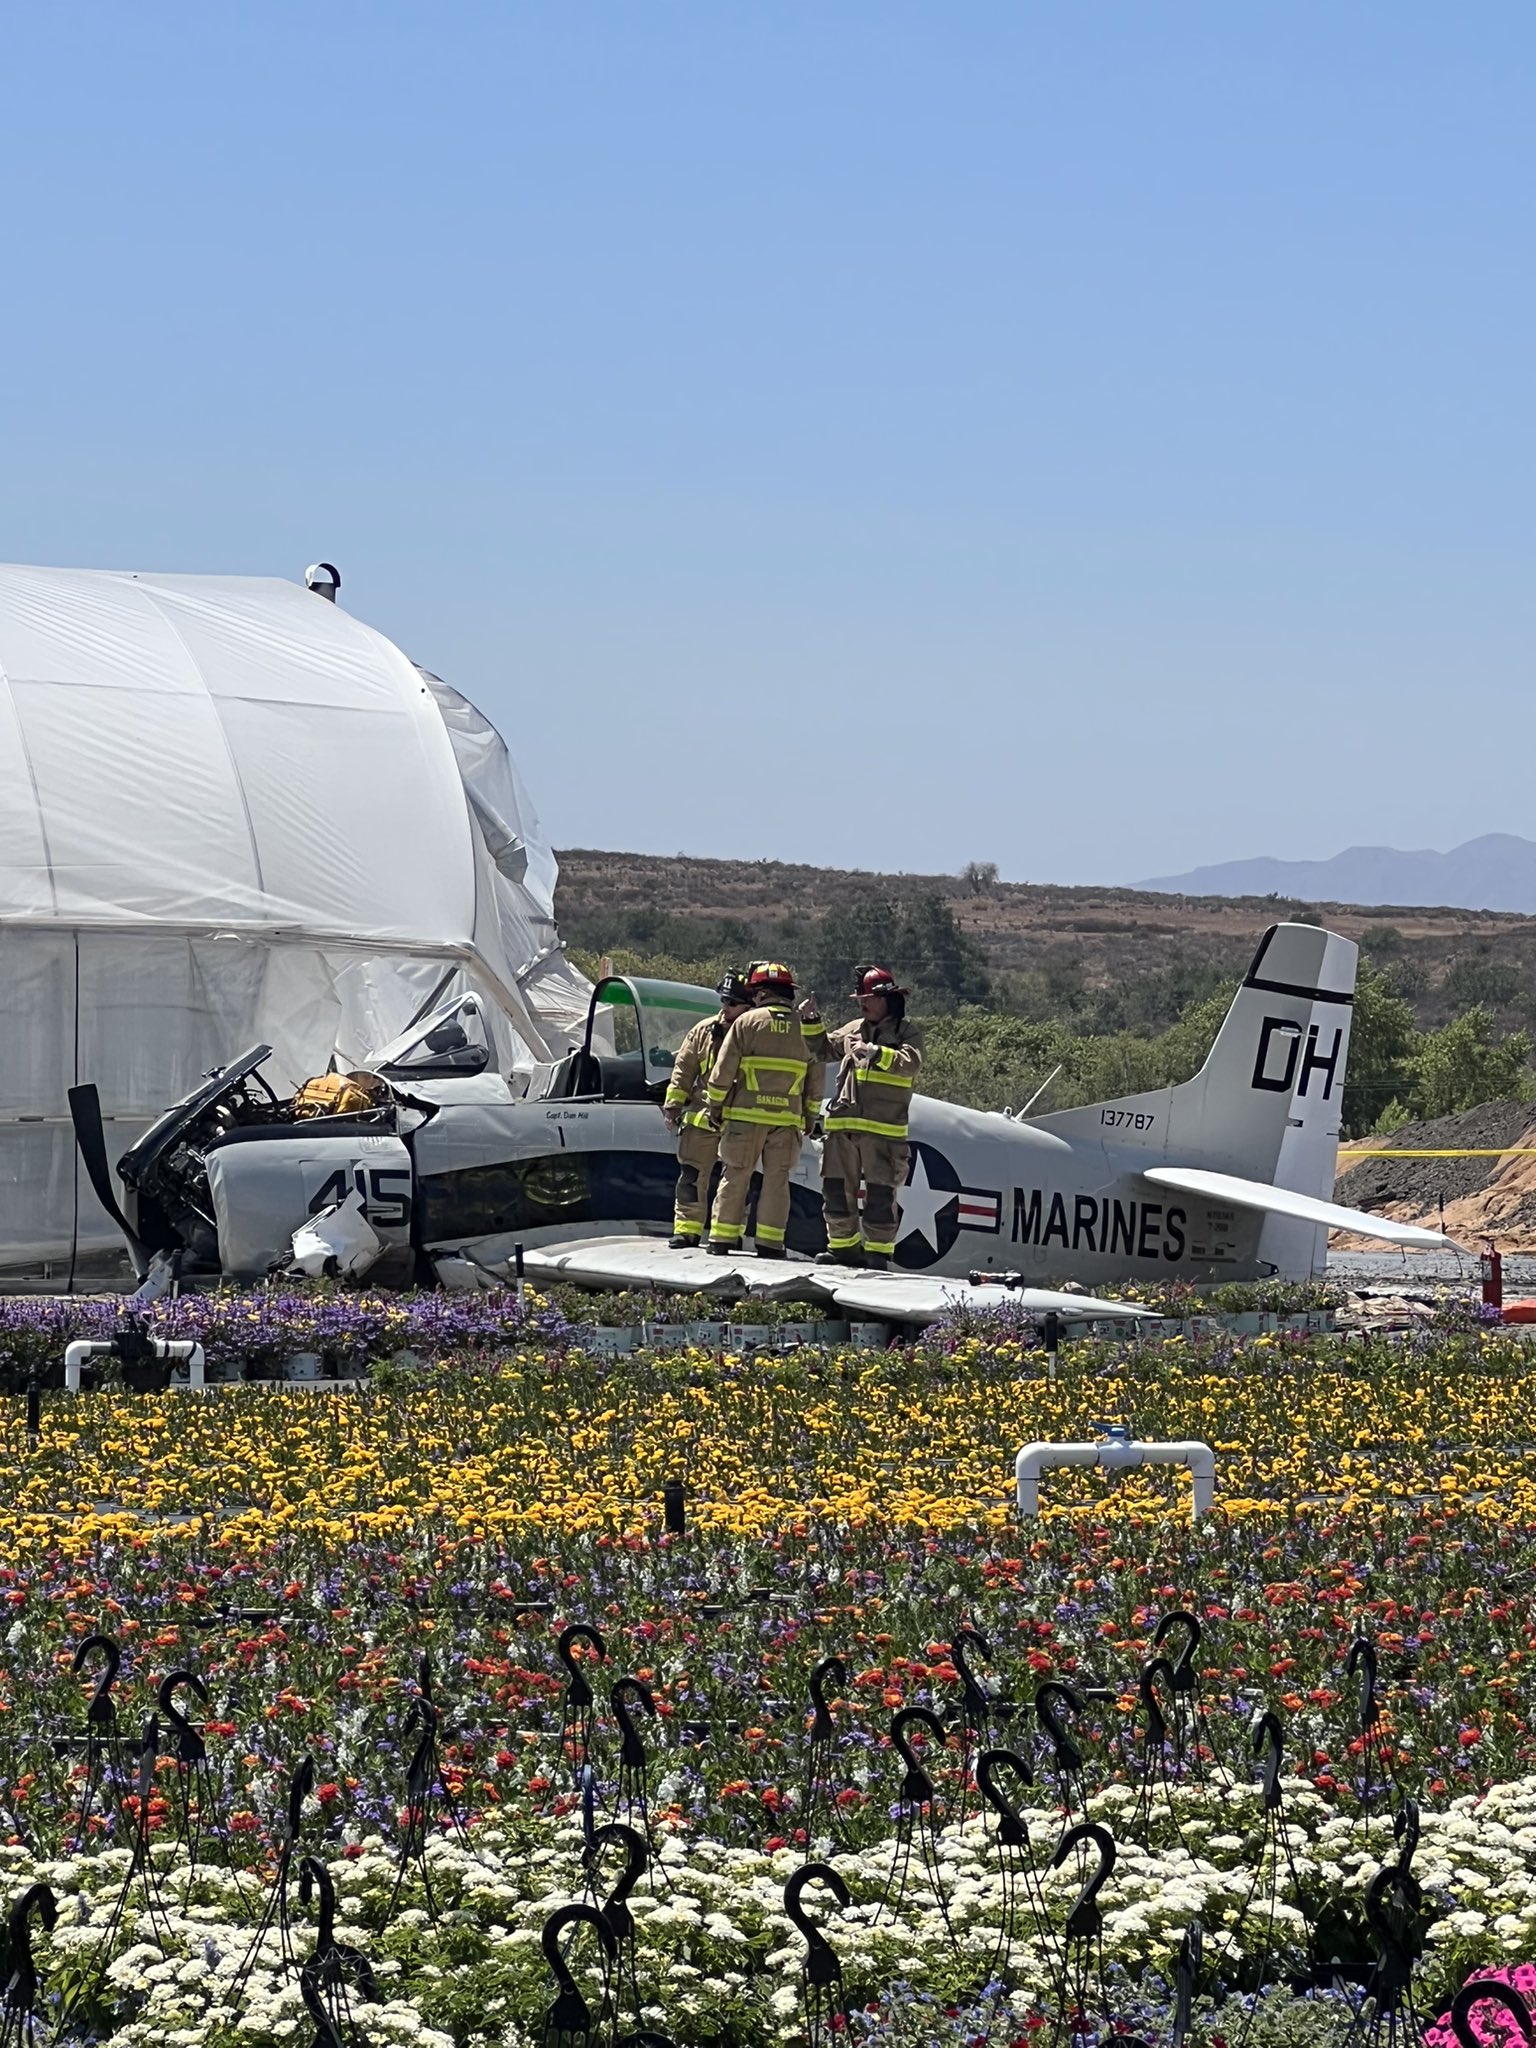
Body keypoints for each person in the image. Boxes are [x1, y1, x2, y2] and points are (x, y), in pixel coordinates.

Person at [799, 966, 924, 1268]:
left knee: (880, 1196)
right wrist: (811, 1021)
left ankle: (878, 1254)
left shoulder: (907, 1033)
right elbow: (823, 1049)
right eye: (860, 999)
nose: (862, 1004)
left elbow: (911, 1063)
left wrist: (876, 1053)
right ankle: (842, 1248)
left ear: (887, 1000)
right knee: (835, 1189)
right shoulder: (853, 1028)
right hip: (842, 1128)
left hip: (883, 1131)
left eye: (868, 998)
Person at [702, 960, 823, 1259]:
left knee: (736, 1175)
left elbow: (722, 1072)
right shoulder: (805, 1028)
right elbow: (815, 1078)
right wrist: (809, 1115)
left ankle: (722, 1239)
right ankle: (770, 1243)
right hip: (787, 1121)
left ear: (760, 993)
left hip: (744, 1118)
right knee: (777, 1181)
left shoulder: (747, 1023)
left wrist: (714, 1106)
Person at [662, 971, 750, 1246]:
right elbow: (683, 1070)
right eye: (724, 1000)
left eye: (733, 1002)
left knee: (735, 1183)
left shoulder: (756, 1034)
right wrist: (673, 1106)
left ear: (750, 1006)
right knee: (690, 1176)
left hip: (739, 1120)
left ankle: (729, 1235)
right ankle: (686, 1230)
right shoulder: (703, 1031)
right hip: (701, 1120)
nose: (726, 1007)